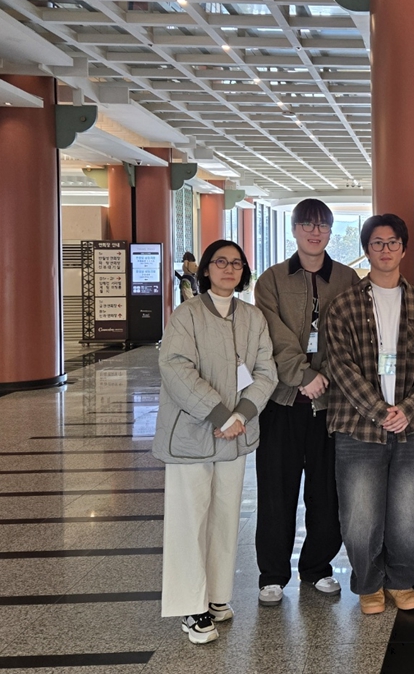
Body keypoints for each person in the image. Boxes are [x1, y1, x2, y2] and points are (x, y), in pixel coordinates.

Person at [153, 239, 277, 644]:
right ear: (206, 269)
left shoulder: (252, 317)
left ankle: (217, 596)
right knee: (190, 520)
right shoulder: (186, 315)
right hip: (192, 434)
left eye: (237, 263)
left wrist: (241, 415)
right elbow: (175, 367)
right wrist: (220, 415)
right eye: (221, 262)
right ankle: (191, 606)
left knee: (225, 516)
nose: (229, 269)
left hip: (236, 434)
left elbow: (266, 372)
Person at [325, 214, 414, 616]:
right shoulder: (344, 305)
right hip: (357, 425)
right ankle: (368, 583)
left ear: (404, 249)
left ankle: (401, 580)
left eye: (393, 242)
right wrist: (380, 412)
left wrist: (406, 410)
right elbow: (340, 365)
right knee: (360, 515)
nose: (385, 250)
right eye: (377, 243)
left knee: (411, 514)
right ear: (367, 250)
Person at [252, 199, 360, 607]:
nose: (315, 233)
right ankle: (272, 574)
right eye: (307, 225)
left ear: (330, 232)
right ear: (294, 230)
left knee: (326, 490)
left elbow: (353, 334)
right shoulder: (272, 280)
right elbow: (272, 334)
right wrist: (302, 374)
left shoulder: (347, 278)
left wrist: (324, 376)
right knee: (276, 490)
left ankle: (317, 567)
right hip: (282, 401)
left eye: (323, 226)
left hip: (331, 403)